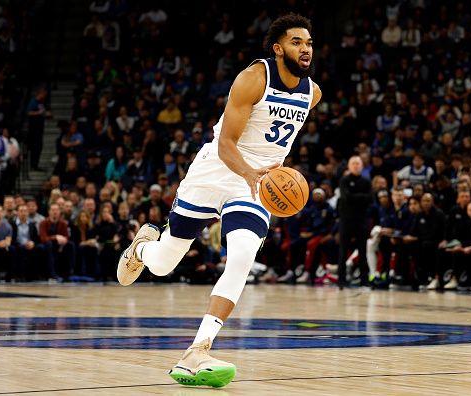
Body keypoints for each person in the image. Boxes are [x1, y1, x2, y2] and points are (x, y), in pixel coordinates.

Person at [117, 14, 321, 388]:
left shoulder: (313, 93)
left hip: (257, 184)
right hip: (217, 170)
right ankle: (143, 248)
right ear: (278, 48)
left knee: (242, 256)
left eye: (308, 43)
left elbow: (277, 142)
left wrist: (272, 177)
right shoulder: (253, 78)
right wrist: (248, 173)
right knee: (163, 266)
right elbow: (227, 143)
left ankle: (198, 349)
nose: (305, 49)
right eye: (296, 42)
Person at [337, 155, 373, 289]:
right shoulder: (344, 180)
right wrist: (360, 198)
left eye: (358, 164)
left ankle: (364, 280)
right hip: (346, 220)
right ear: (349, 166)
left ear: (362, 166)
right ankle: (341, 280)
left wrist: (355, 197)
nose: (356, 166)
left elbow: (370, 198)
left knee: (363, 251)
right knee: (343, 251)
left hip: (361, 220)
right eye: (353, 164)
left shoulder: (366, 181)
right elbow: (346, 197)